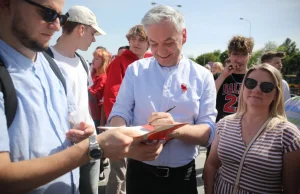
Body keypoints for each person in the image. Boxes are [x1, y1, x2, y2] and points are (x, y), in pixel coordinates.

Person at [0, 1, 162, 193]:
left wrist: (85, 138)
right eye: (48, 13)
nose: (57, 26)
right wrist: (93, 147)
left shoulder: (48, 66)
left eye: (60, 18)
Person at [108, 5, 217, 194]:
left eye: (168, 42)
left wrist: (174, 129)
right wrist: (121, 135)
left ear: (183, 35)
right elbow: (120, 112)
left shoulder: (202, 76)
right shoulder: (136, 70)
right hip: (139, 172)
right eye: (153, 43)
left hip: (182, 177)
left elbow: (208, 132)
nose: (160, 51)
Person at [204, 64, 300, 193]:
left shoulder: (289, 134)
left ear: (276, 94)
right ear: (243, 87)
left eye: (266, 87)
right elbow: (211, 165)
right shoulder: (224, 123)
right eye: (250, 83)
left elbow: (291, 188)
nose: (256, 90)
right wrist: (209, 191)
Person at [48, 5, 107, 194]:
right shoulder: (43, 59)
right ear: (81, 29)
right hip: (62, 147)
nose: (94, 39)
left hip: (89, 141)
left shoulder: (82, 62)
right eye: (92, 33)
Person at [103, 24, 149, 194]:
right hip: (123, 126)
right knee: (119, 171)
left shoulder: (150, 62)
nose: (136, 43)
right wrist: (118, 128)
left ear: (148, 43)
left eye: (141, 39)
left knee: (132, 172)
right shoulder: (119, 62)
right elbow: (112, 96)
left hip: (141, 127)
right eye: (132, 39)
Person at [205, 36, 254, 160]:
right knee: (212, 166)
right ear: (229, 55)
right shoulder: (219, 76)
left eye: (244, 54)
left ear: (250, 55)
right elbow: (208, 97)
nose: (240, 59)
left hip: (246, 131)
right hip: (221, 130)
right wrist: (223, 75)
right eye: (236, 54)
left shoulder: (254, 77)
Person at [88, 48, 112, 182]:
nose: (93, 61)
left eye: (96, 59)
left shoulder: (102, 77)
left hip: (97, 117)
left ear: (103, 62)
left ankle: (100, 170)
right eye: (93, 58)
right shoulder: (94, 75)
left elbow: (94, 94)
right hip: (92, 115)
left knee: (96, 143)